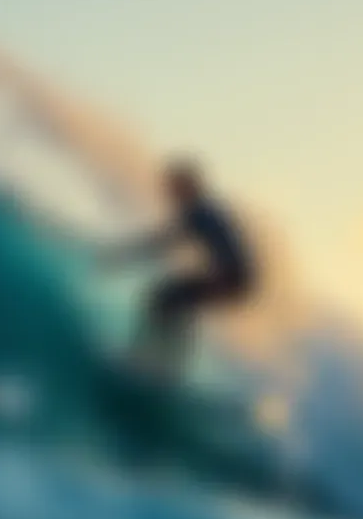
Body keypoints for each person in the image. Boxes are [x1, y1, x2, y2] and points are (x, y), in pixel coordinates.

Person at [102, 154, 257, 377]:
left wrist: (120, 258)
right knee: (171, 302)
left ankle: (148, 363)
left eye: (174, 187)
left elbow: (163, 243)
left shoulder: (200, 212)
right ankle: (161, 366)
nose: (170, 193)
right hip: (235, 277)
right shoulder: (205, 209)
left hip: (232, 277)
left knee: (164, 298)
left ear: (187, 187)